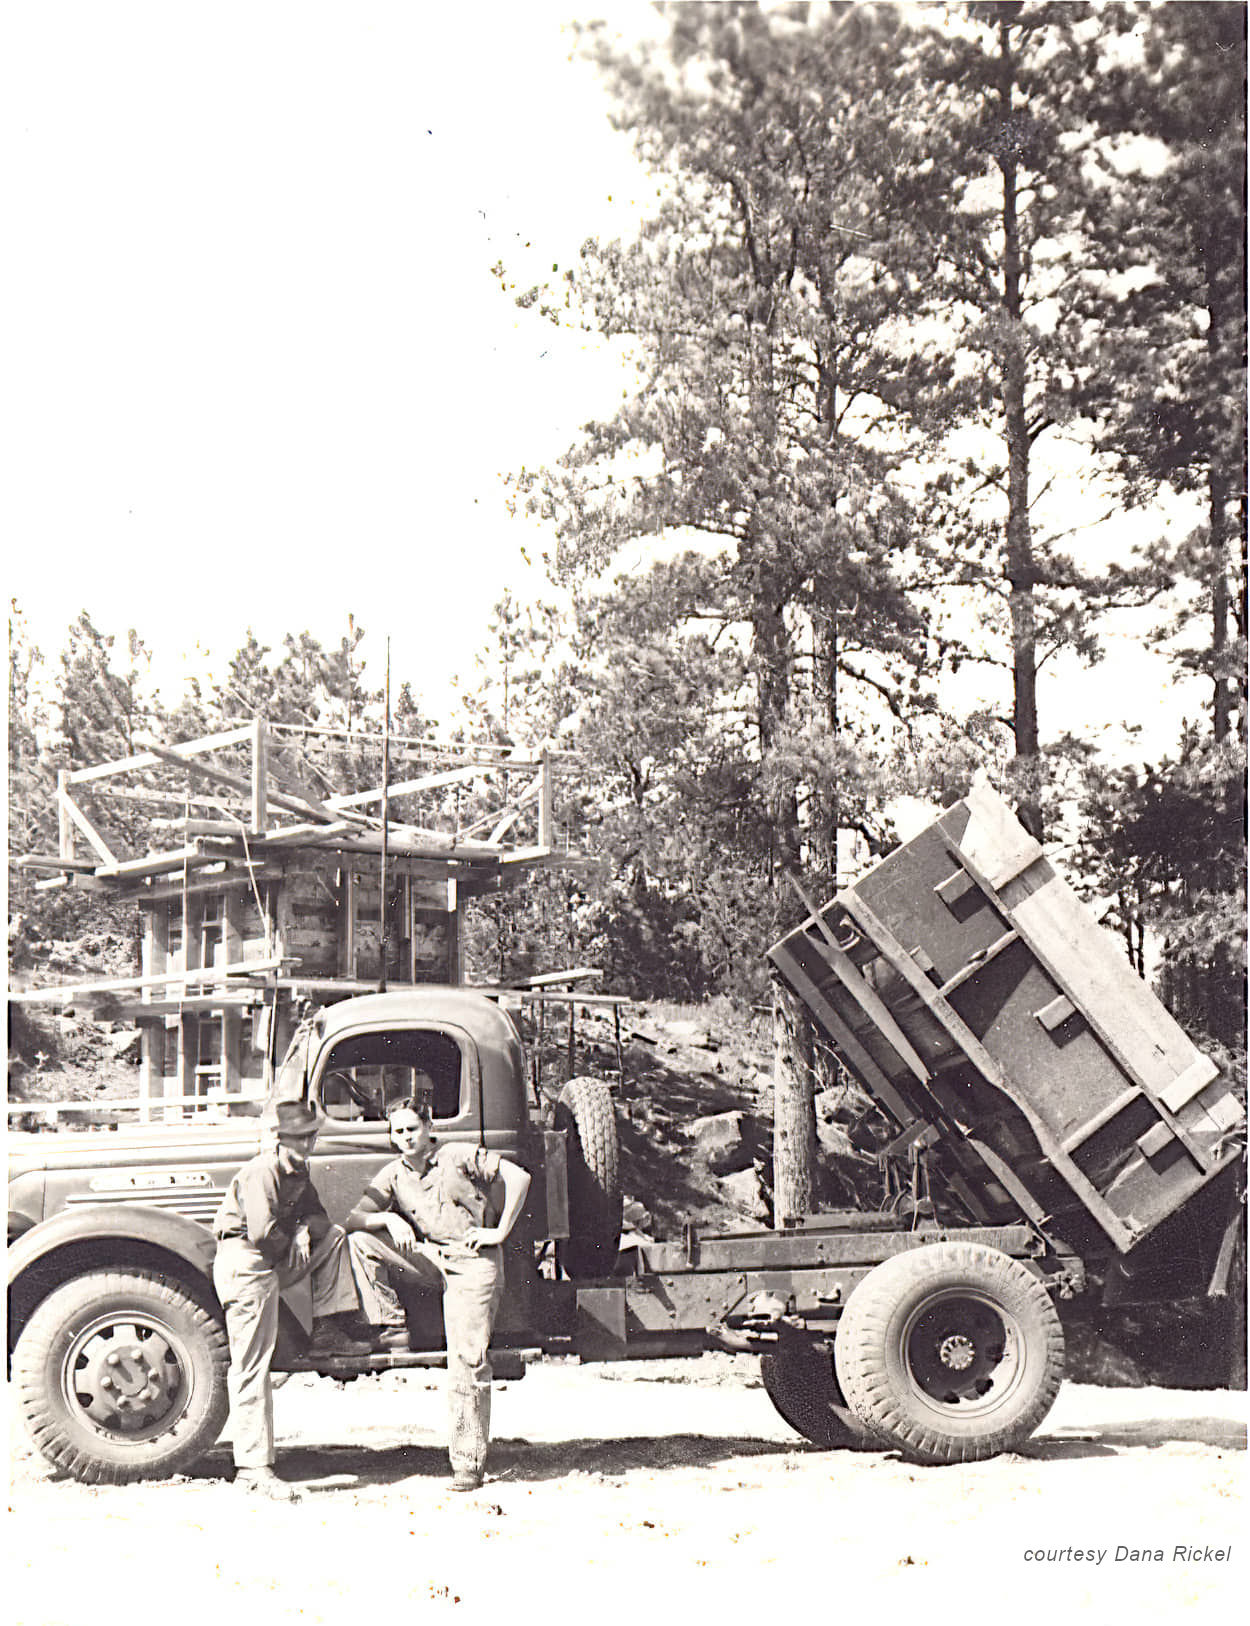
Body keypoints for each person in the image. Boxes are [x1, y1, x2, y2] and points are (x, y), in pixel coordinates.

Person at [346, 1097, 532, 1491]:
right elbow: (354, 1218)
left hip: (473, 1262)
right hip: (431, 1259)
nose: (405, 1138)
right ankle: (391, 1323)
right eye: (397, 1131)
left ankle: (468, 1464)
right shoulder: (394, 1174)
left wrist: (499, 1233)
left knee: (468, 1358)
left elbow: (519, 1178)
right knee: (362, 1241)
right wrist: (387, 1216)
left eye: (412, 1128)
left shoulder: (457, 1155)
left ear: (428, 1127)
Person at [212, 1098, 371, 1500]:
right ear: (280, 1139)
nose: (305, 1144)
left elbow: (319, 1219)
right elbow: (262, 1233)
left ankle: (328, 1329)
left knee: (334, 1236)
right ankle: (252, 1468)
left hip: (270, 1263)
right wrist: (292, 1238)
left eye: (309, 1136)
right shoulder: (262, 1171)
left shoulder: (298, 1170)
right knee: (251, 1366)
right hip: (246, 1264)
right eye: (297, 1138)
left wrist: (302, 1227)